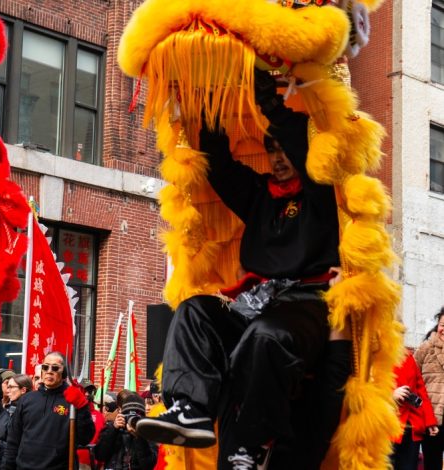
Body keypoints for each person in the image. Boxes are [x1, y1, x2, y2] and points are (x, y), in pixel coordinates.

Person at [134, 68, 352, 470]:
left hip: (306, 304)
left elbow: (309, 159)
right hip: (258, 303)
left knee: (265, 337)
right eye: (272, 150)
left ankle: (249, 444)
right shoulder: (259, 196)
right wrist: (212, 108)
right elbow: (220, 167)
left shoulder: (320, 194)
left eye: (285, 148)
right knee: (194, 312)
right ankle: (190, 407)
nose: (279, 157)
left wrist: (271, 105)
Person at [3, 351, 96, 470]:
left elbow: (85, 438)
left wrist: (82, 408)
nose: (49, 371)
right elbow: (13, 441)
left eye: (55, 368)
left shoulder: (72, 402)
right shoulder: (27, 399)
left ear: (64, 373)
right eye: (45, 367)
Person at [391, 349, 438, 470]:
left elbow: (420, 390)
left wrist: (430, 421)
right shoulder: (373, 356)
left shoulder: (408, 356)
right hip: (387, 426)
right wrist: (389, 396)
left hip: (411, 426)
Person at [94, 391, 158, 470]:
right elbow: (100, 455)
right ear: (121, 412)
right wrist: (113, 429)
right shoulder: (112, 428)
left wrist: (139, 437)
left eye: (136, 416)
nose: (132, 419)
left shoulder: (148, 432)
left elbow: (149, 465)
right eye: (128, 414)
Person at [414, 307, 444, 470]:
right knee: (432, 464)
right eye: (441, 324)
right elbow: (412, 381)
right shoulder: (426, 348)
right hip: (431, 420)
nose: (443, 329)